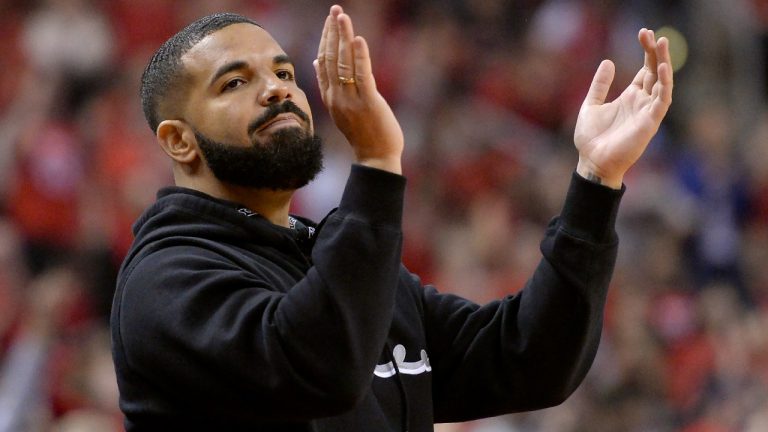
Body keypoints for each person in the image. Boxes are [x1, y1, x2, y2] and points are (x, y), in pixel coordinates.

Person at [110, 4, 673, 431]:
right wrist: (377, 163)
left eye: (284, 74)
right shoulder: (166, 279)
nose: (277, 92)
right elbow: (320, 366)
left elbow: (530, 358)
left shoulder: (340, 265)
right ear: (180, 141)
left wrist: (596, 180)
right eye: (235, 82)